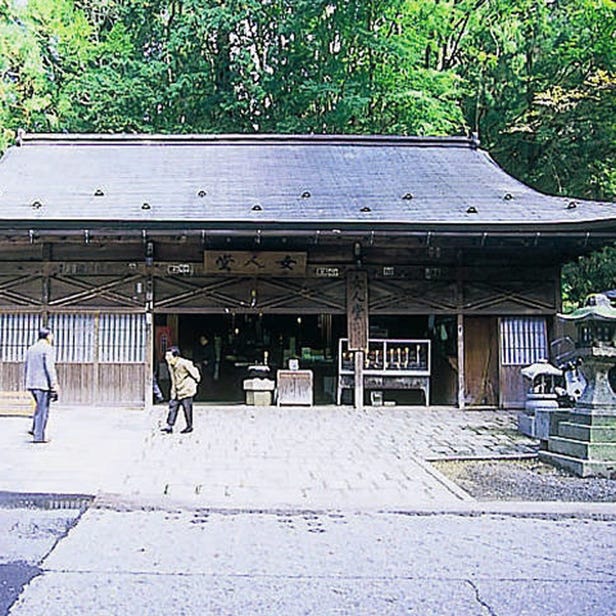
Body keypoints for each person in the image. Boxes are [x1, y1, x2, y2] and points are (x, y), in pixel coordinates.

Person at [24, 327, 59, 444]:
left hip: (32, 383)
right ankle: (39, 436)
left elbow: (27, 366)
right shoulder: (47, 349)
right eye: (52, 335)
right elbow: (49, 368)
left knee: (38, 408)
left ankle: (34, 429)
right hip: (43, 384)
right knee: (43, 410)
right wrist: (54, 384)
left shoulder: (31, 348)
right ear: (48, 336)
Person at [161, 346, 200, 434]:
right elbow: (173, 378)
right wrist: (173, 390)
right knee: (173, 406)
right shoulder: (170, 364)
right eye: (166, 356)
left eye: (169, 356)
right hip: (177, 389)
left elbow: (195, 373)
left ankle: (189, 426)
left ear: (176, 356)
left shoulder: (185, 363)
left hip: (186, 388)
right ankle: (169, 426)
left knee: (187, 408)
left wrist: (194, 382)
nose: (167, 358)